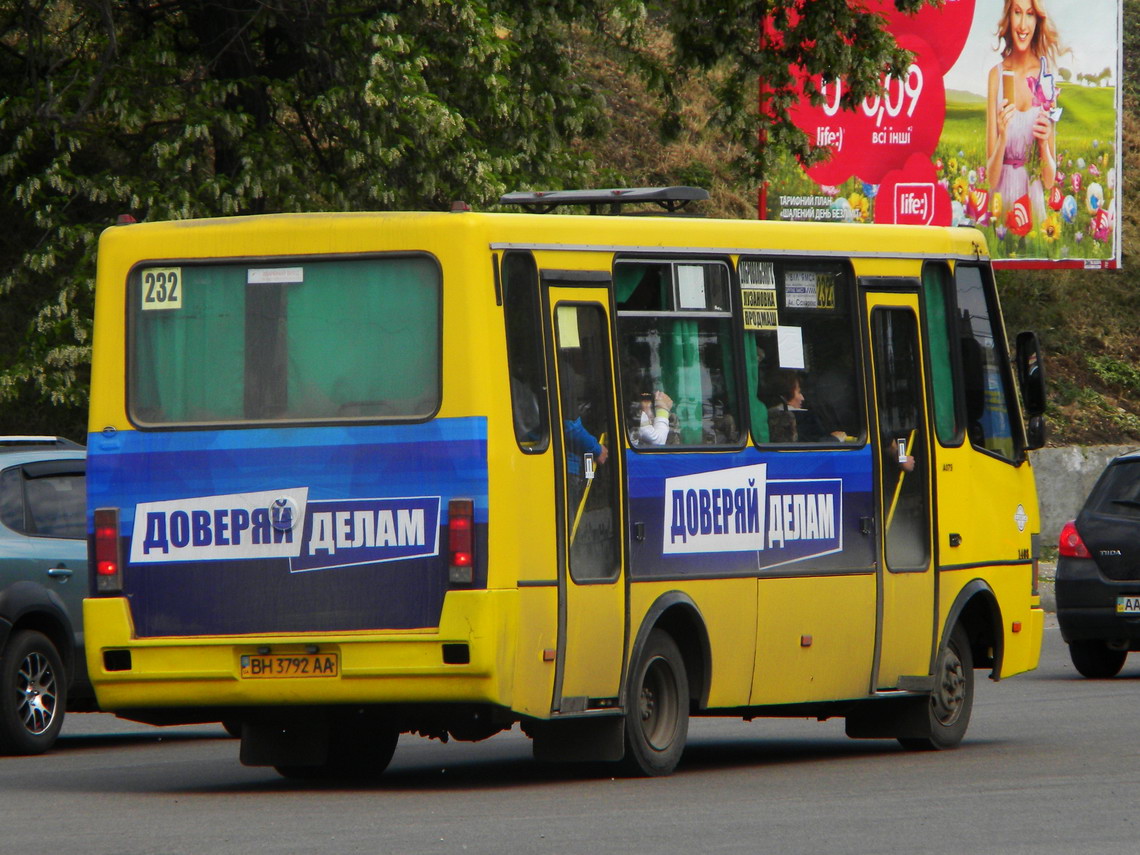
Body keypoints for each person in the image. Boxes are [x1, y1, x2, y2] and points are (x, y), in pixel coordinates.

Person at [985, 0, 1063, 220]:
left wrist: (1043, 142)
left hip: (1033, 204)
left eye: (1029, 14)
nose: (1022, 24)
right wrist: (1002, 137)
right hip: (1001, 205)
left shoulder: (1045, 79)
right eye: (1017, 13)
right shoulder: (995, 76)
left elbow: (1049, 181)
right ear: (1008, 17)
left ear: (1037, 21)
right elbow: (991, 179)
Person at [766, 369, 846, 443]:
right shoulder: (805, 418)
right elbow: (815, 445)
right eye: (799, 392)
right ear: (786, 395)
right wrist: (835, 439)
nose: (802, 398)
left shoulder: (764, 416)